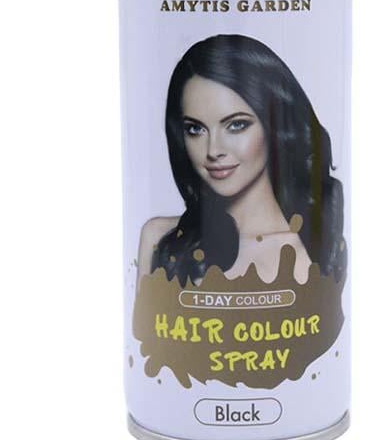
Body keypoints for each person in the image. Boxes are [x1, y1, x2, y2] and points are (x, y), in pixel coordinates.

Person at [138, 34, 346, 285]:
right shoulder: (160, 239)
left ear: (275, 126)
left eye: (236, 125)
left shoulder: (311, 257)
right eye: (195, 129)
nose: (213, 150)